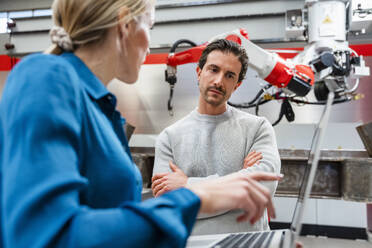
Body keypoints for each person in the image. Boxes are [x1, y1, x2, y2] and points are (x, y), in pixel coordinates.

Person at [0, 0, 282, 247]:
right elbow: (45, 237)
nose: (149, 44)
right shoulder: (46, 78)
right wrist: (199, 196)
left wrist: (189, 186)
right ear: (124, 24)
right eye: (150, 25)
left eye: (230, 75)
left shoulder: (102, 110)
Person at [152, 39, 281, 235]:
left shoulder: (258, 128)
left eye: (229, 75)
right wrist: (241, 178)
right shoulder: (170, 137)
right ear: (199, 72)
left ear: (236, 85)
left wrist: (187, 185)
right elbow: (169, 205)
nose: (219, 81)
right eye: (213, 69)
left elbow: (261, 191)